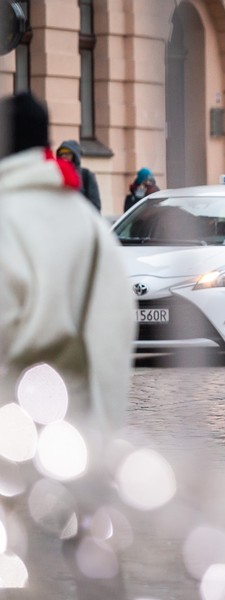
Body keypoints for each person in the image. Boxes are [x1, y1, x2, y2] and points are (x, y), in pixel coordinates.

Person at [1, 92, 135, 598]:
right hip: (80, 408)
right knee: (92, 542)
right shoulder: (83, 220)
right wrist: (105, 415)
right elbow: (117, 317)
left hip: (12, 407)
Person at [56, 139, 102, 211]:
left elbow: (95, 206)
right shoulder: (55, 175)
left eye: (67, 153)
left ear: (75, 155)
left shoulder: (86, 175)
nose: (63, 156)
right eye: (61, 154)